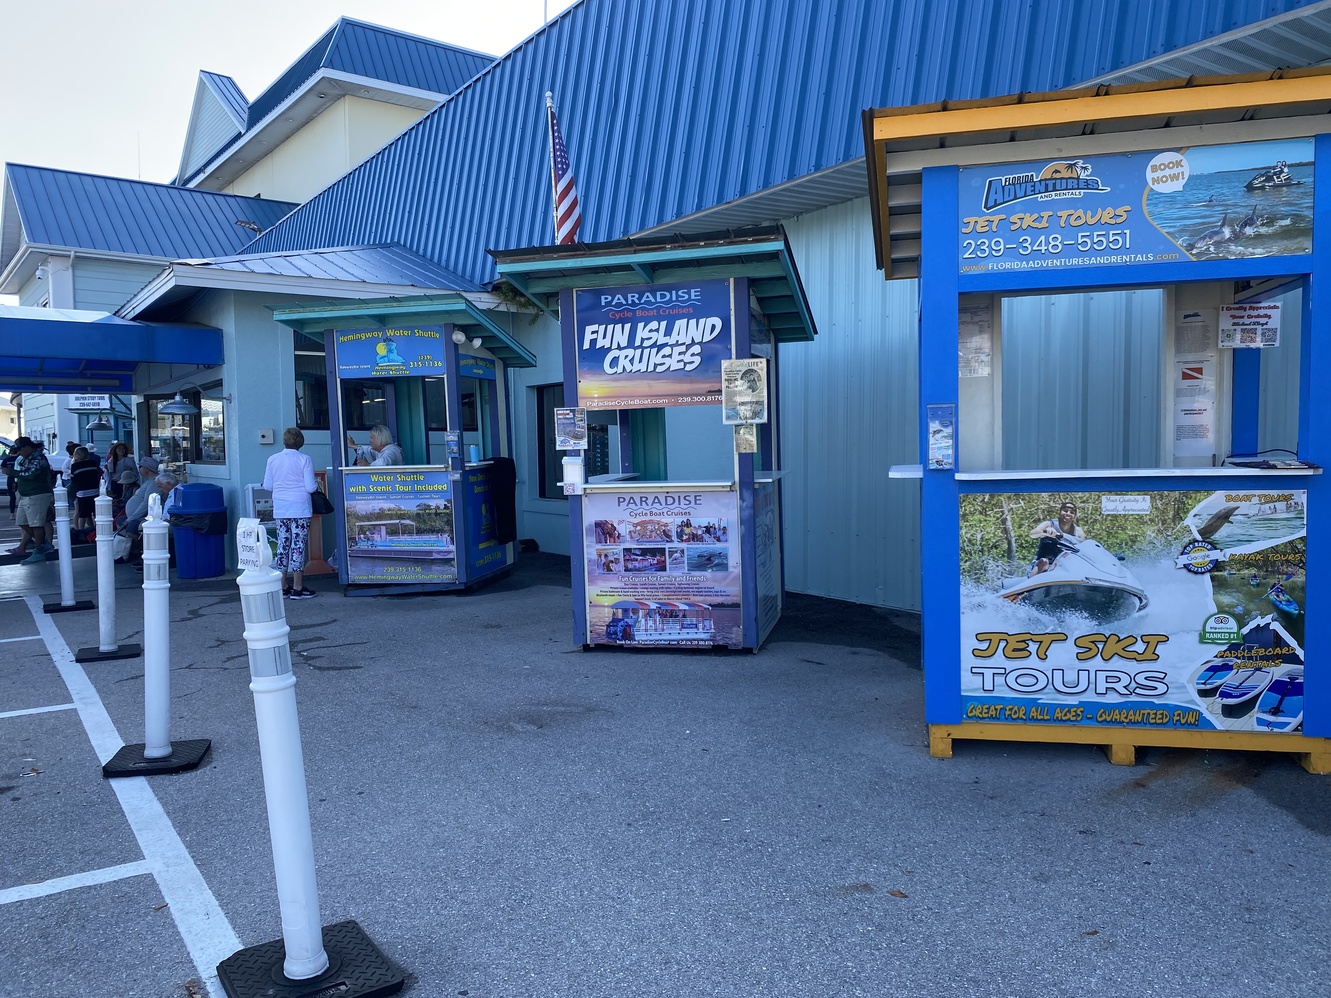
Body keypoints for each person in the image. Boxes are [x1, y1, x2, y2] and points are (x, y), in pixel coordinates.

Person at [263, 427, 317, 600]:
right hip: (300, 508)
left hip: (281, 509)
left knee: (283, 546)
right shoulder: (305, 459)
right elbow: (310, 487)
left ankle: (282, 586)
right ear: (300, 441)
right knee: (298, 547)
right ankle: (298, 587)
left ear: (284, 441)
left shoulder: (272, 459)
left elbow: (268, 486)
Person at [10, 437, 54, 563]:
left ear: (27, 447)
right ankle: (42, 544)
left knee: (36, 524)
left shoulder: (38, 458)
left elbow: (30, 474)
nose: (19, 452)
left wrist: (13, 473)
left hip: (37, 494)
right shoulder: (27, 458)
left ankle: (39, 550)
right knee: (22, 522)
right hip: (26, 495)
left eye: (20, 449)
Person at [1027, 500, 1087, 577]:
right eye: (1065, 511)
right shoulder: (1049, 524)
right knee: (1044, 562)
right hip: (1044, 562)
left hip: (1065, 565)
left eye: (1071, 512)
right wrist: (1045, 532)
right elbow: (1032, 534)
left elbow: (1084, 547)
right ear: (1059, 513)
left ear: (1074, 517)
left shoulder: (1078, 531)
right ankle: (1032, 582)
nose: (1068, 514)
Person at [68, 446, 102, 533]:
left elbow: (73, 480)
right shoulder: (93, 463)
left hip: (82, 491)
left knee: (82, 514)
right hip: (94, 490)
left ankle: (81, 531)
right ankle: (96, 530)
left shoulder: (75, 466)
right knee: (95, 513)